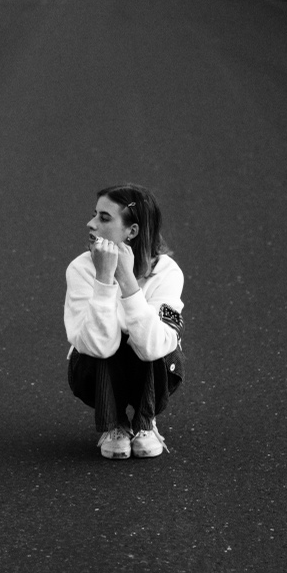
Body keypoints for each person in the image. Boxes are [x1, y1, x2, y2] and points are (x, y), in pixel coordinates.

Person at [64, 183, 185, 459]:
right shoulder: (80, 269)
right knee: (106, 341)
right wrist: (104, 280)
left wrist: (128, 282)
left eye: (104, 218)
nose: (91, 224)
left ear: (132, 231)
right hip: (92, 371)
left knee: (151, 339)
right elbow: (98, 346)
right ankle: (115, 423)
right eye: (94, 214)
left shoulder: (167, 273)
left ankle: (145, 422)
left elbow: (155, 346)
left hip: (159, 371)